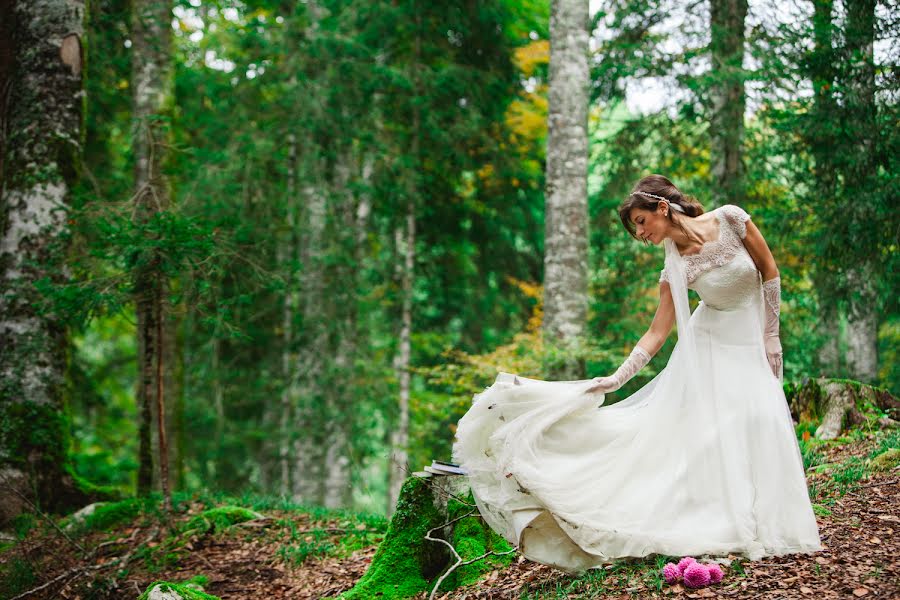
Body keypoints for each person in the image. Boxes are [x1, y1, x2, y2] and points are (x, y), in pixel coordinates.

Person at [451, 174, 823, 574]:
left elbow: (769, 269)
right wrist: (616, 378)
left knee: (762, 420)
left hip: (753, 337)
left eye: (641, 223)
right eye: (635, 230)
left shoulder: (731, 219)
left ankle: (772, 519)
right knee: (722, 431)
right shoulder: (674, 267)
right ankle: (734, 521)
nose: (640, 234)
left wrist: (771, 335)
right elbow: (657, 332)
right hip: (711, 347)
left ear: (661, 208)